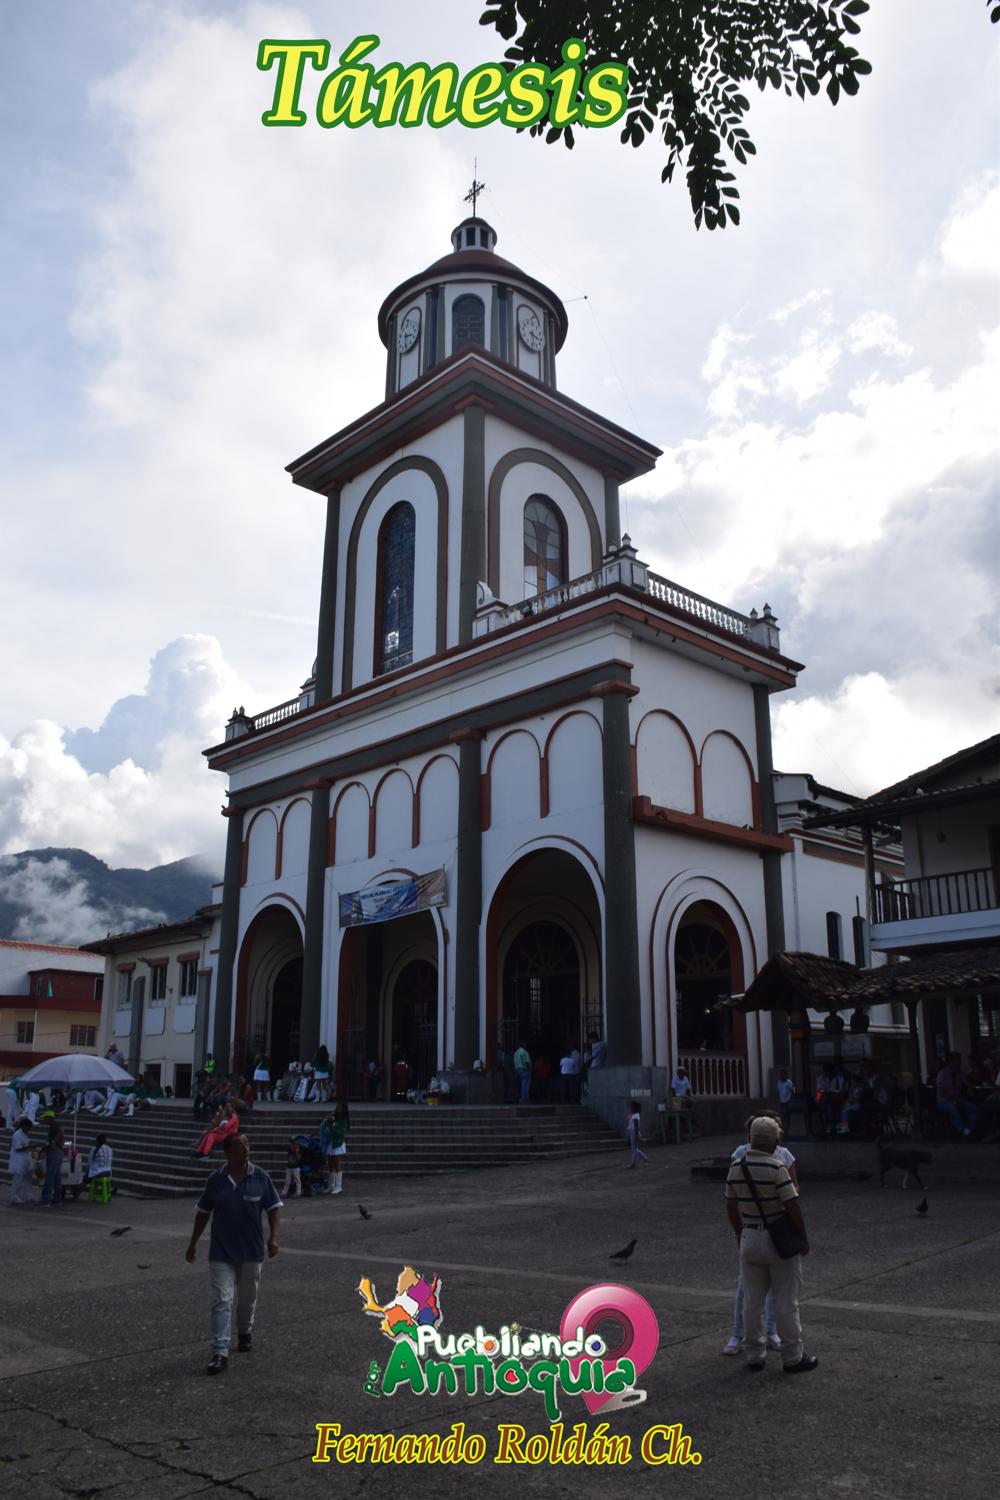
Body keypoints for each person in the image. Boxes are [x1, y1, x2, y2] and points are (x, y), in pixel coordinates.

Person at [724, 1115, 817, 1374]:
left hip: (749, 1235)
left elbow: (730, 1206)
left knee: (752, 1301)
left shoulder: (736, 1167)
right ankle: (792, 1356)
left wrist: (739, 1232)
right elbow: (793, 1205)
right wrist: (802, 1238)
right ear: (775, 1140)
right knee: (786, 1301)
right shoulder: (777, 1168)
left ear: (751, 1138)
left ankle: (754, 1354)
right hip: (778, 1238)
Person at [185, 1132, 281, 1375]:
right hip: (221, 1252)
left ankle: (244, 1331)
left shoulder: (260, 1177)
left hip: (251, 1251)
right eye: (241, 1147)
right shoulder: (216, 1180)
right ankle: (220, 1351)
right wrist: (193, 1243)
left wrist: (274, 1237)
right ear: (228, 1153)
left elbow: (273, 1208)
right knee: (222, 1299)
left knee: (248, 1297)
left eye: (247, 1145)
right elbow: (203, 1212)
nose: (247, 1150)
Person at [936, 1051, 976, 1136]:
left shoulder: (959, 1073)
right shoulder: (942, 1073)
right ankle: (962, 1130)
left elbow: (966, 1082)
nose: (960, 1063)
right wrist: (952, 1100)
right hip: (944, 1101)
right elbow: (941, 1091)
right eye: (958, 1061)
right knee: (952, 1108)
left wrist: (969, 1087)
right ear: (952, 1062)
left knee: (973, 1108)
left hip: (958, 1099)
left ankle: (967, 1128)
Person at [324, 1101, 349, 1195]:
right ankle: (331, 1185)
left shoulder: (344, 1120)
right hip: (331, 1142)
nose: (338, 1109)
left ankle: (338, 1186)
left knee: (337, 1163)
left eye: (340, 1108)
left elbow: (341, 1132)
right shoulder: (334, 1117)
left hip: (338, 1143)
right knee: (330, 1163)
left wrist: (332, 1128)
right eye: (337, 1107)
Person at [8, 1118, 34, 1206]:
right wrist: (28, 1147)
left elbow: (27, 1144)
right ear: (24, 1126)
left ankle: (28, 1195)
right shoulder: (17, 1135)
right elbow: (18, 1148)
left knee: (27, 1179)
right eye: (29, 1127)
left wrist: (30, 1146)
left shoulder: (25, 1134)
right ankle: (14, 1196)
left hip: (25, 1159)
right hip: (18, 1159)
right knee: (17, 1179)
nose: (30, 1129)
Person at [42, 1120, 66, 1206]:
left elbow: (61, 1131)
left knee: (50, 1176)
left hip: (54, 1152)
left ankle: (46, 1198)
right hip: (57, 1152)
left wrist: (54, 1142)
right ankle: (57, 1198)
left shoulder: (55, 1128)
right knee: (56, 1177)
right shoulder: (53, 1129)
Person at [625, 1100, 648, 1168]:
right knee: (635, 1148)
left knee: (634, 1149)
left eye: (631, 1107)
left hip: (634, 1132)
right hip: (633, 1132)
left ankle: (633, 1163)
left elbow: (636, 1126)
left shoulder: (636, 1116)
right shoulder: (634, 1115)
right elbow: (628, 1118)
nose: (630, 1108)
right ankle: (645, 1158)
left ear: (634, 1108)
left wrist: (637, 1135)